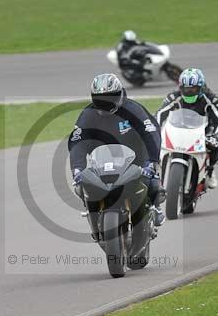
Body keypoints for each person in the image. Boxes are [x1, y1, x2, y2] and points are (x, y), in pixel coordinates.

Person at [68, 73, 165, 226]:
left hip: (136, 159)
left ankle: (154, 208)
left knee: (152, 183)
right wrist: (77, 169)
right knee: (82, 185)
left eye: (110, 97)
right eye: (100, 98)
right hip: (101, 162)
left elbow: (151, 132)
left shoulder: (133, 109)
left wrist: (151, 162)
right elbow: (77, 141)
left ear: (119, 94)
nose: (105, 102)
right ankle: (93, 216)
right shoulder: (88, 115)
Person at [156, 68, 218, 189]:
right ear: (180, 87)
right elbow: (159, 114)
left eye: (192, 89)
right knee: (157, 145)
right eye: (185, 88)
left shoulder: (212, 99)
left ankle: (209, 171)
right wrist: (155, 130)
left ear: (201, 87)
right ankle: (157, 172)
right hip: (178, 127)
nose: (188, 91)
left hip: (203, 131)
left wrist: (216, 137)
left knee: (214, 147)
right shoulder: (173, 97)